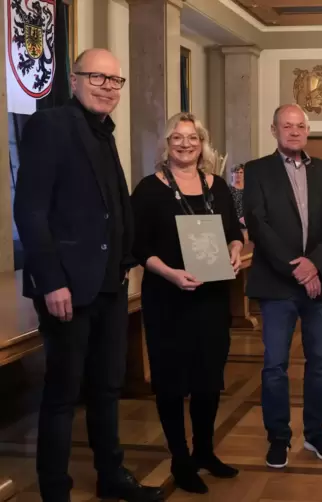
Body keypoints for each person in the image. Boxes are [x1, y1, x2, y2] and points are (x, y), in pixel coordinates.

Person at [13, 48, 163, 502]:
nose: (108, 87)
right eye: (98, 77)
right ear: (74, 80)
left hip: (108, 286)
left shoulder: (104, 133)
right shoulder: (51, 125)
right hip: (67, 287)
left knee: (106, 387)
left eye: (115, 81)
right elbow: (31, 209)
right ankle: (55, 490)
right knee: (62, 394)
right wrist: (51, 279)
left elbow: (106, 211)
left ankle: (110, 475)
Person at [131, 113, 243, 494]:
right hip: (167, 298)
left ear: (202, 143)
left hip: (211, 298)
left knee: (208, 380)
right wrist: (172, 274)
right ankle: (180, 460)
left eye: (191, 137)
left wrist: (235, 249)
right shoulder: (149, 188)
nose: (184, 144)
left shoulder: (219, 187)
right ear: (167, 143)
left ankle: (205, 452)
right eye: (176, 137)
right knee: (171, 382)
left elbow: (233, 233)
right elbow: (137, 247)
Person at [244, 104, 322, 469]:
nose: (293, 131)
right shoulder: (255, 171)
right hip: (277, 285)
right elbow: (258, 224)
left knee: (319, 364)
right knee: (275, 366)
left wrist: (315, 264)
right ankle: (279, 437)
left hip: (320, 284)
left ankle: (317, 433)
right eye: (286, 126)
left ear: (308, 130)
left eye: (300, 125)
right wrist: (298, 270)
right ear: (274, 130)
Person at [228, 164, 245, 228]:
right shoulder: (228, 189)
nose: (239, 174)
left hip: (247, 222)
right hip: (234, 223)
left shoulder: (248, 189)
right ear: (232, 174)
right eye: (236, 172)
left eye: (241, 172)